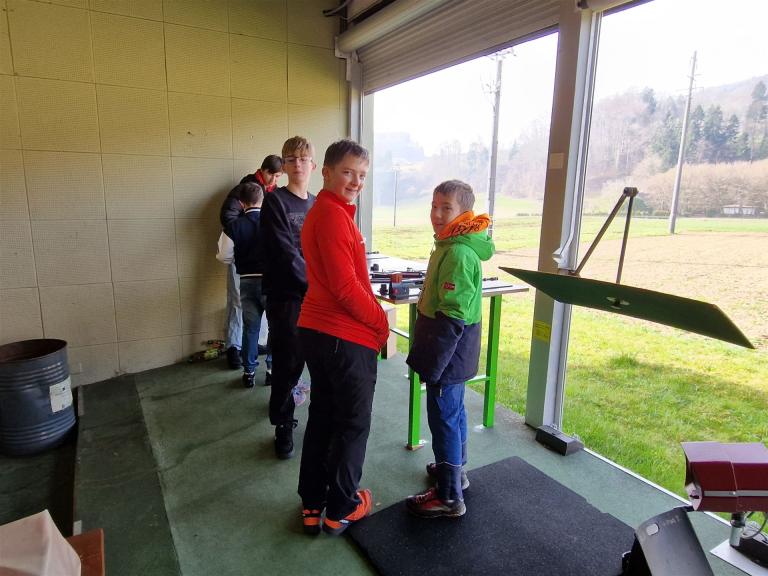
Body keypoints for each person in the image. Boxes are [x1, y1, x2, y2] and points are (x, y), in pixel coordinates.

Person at [296, 140, 389, 536]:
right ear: (327, 172)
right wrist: (381, 324)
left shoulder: (329, 213)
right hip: (342, 336)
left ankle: (313, 505)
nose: (356, 182)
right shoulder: (332, 216)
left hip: (321, 332)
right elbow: (346, 288)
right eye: (348, 172)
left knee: (323, 417)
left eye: (362, 175)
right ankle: (342, 508)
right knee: (352, 424)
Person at [404, 180, 495, 518]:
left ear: (464, 213)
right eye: (434, 206)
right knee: (454, 414)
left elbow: (453, 316)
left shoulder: (457, 252)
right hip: (452, 352)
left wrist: (435, 366)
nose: (437, 214)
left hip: (448, 353)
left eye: (447, 208)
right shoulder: (450, 243)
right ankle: (456, 471)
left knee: (443, 419)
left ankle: (449, 496)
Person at [260, 136, 316, 459]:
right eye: (291, 159)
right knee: (288, 365)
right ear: (283, 165)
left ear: (313, 165)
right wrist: (316, 286)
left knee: (319, 362)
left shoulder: (317, 204)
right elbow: (285, 254)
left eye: (303, 159)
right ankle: (283, 424)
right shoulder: (275, 202)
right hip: (287, 299)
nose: (298, 165)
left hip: (316, 299)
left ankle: (317, 421)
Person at [219, 155, 283, 371]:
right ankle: (233, 347)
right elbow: (227, 216)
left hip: (262, 260)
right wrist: (247, 234)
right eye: (271, 174)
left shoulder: (274, 192)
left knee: (258, 307)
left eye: (278, 176)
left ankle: (252, 349)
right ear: (262, 170)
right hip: (242, 252)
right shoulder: (245, 188)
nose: (274, 179)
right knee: (237, 301)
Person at [215, 182, 268, 388]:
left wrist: (237, 259)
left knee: (250, 328)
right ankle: (271, 370)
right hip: (271, 282)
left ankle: (249, 373)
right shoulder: (273, 222)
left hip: (246, 281)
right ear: (262, 200)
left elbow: (223, 256)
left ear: (241, 203)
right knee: (274, 328)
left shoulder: (233, 226)